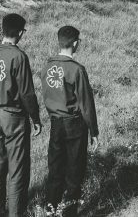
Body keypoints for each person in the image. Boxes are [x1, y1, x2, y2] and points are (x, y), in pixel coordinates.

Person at [41, 25, 99, 216]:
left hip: (55, 123)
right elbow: (86, 103)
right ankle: (70, 211)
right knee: (75, 169)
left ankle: (51, 208)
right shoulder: (77, 69)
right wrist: (93, 130)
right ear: (75, 43)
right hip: (74, 124)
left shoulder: (47, 66)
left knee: (55, 168)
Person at [0, 13, 42, 217]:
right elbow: (27, 93)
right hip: (13, 116)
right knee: (17, 170)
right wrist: (35, 118)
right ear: (19, 32)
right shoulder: (18, 56)